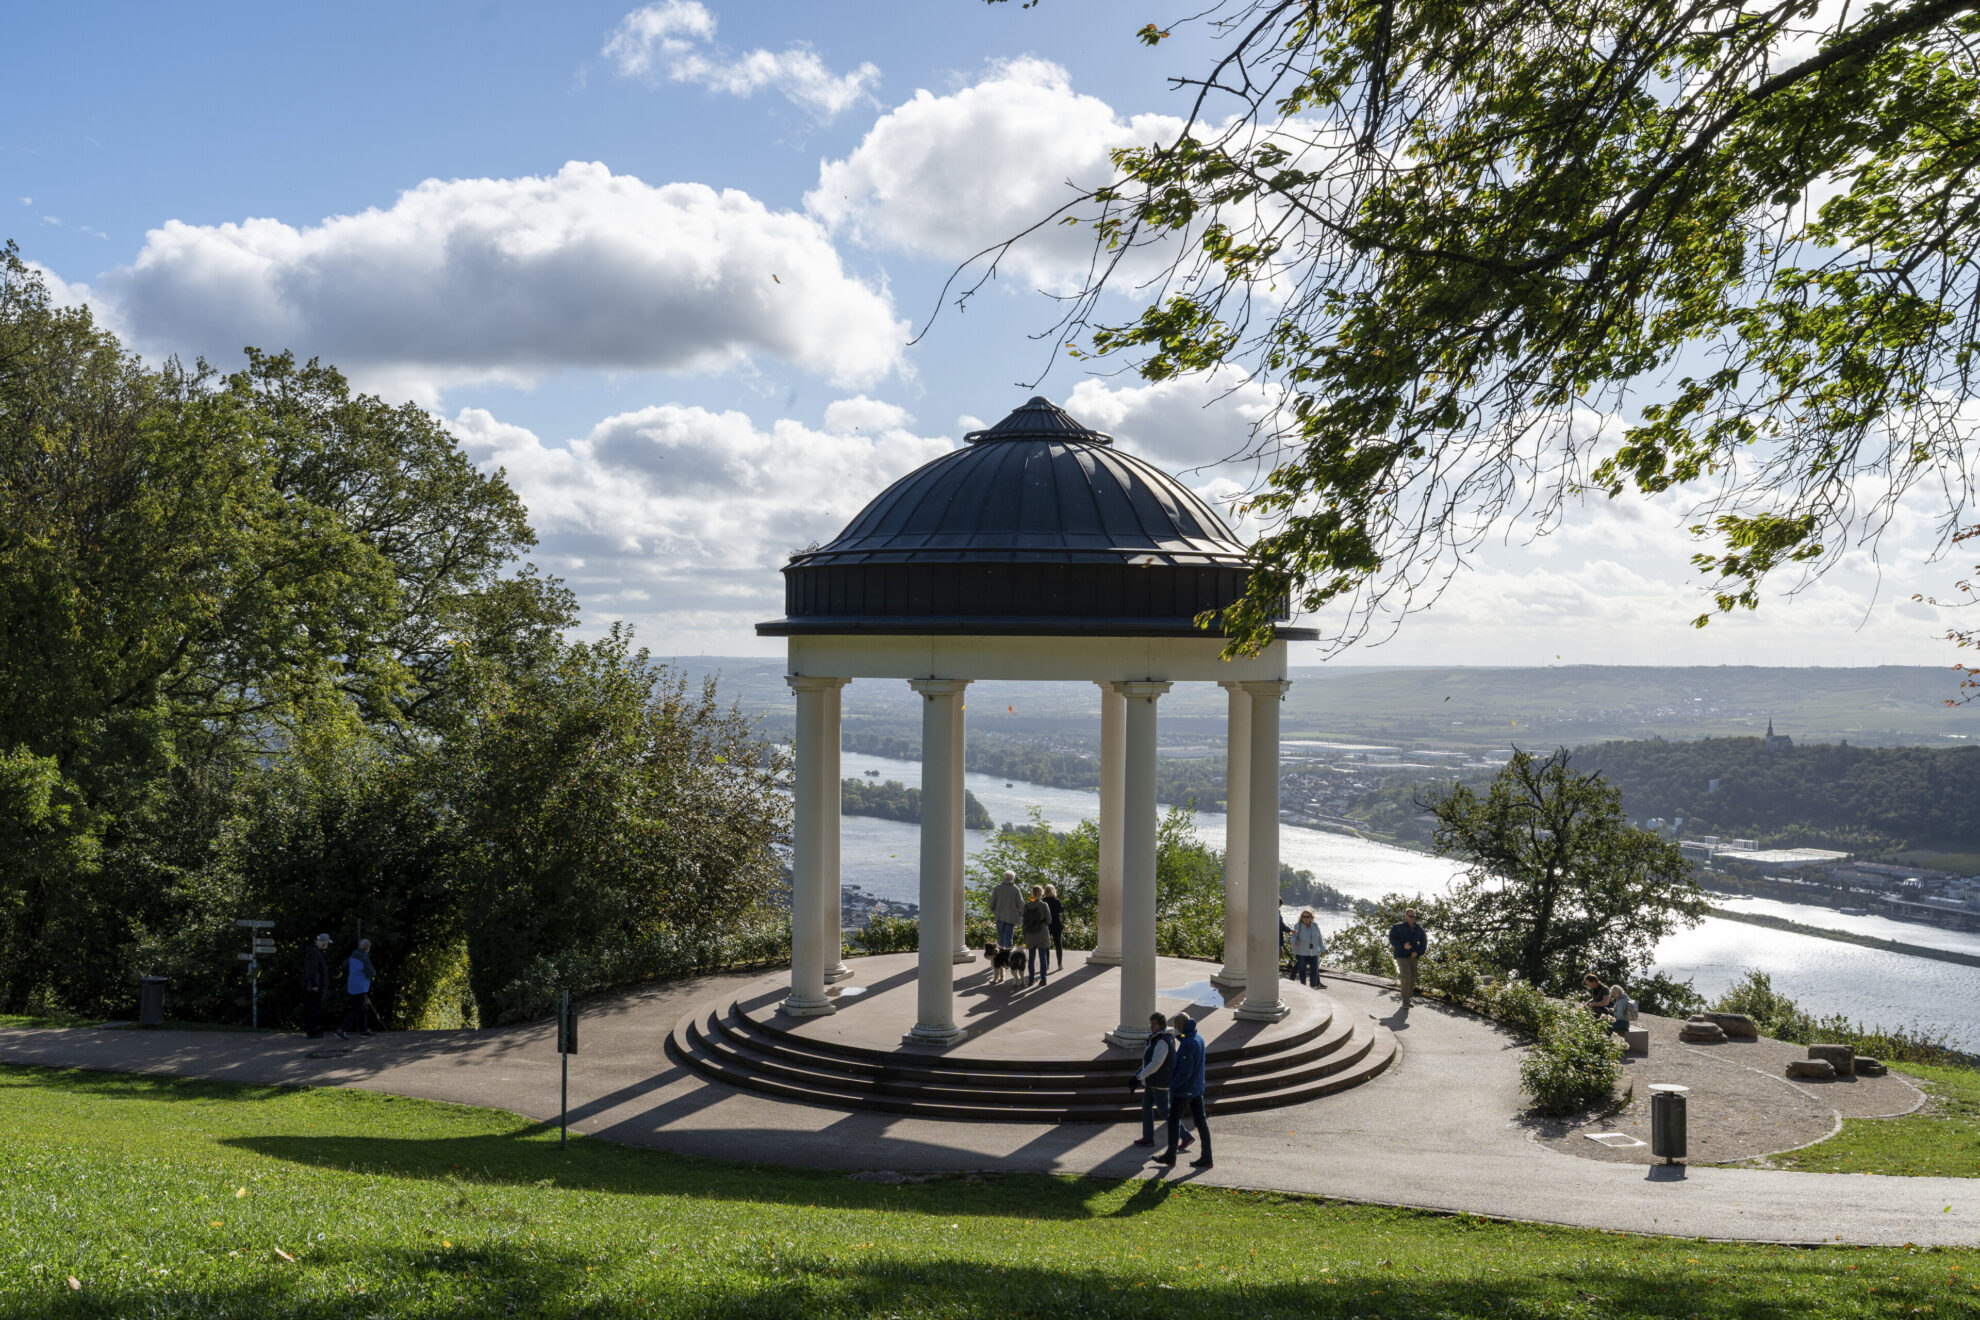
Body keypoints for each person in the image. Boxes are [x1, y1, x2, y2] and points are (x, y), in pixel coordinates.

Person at [1153, 1012, 1212, 1169]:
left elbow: (1184, 1072)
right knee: (1201, 1122)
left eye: (1177, 1026)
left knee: (1173, 1120)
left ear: (1181, 1025)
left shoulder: (1188, 1044)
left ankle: (1170, 1156)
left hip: (1185, 1090)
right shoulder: (1198, 1038)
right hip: (1197, 1088)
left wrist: (1172, 1086)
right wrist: (1180, 1037)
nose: (1176, 1029)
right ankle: (1207, 1157)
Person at [1129, 1012, 1194, 1151]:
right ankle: (1148, 1138)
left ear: (1161, 1025)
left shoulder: (1162, 1041)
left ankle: (1186, 1136)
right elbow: (1147, 1060)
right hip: (1153, 1082)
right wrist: (1138, 1074)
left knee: (1165, 1112)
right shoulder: (1157, 1038)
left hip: (1160, 1083)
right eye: (1150, 1023)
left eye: (1154, 1024)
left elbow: (1156, 1063)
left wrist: (1139, 1077)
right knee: (1146, 1106)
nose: (1151, 1026)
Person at [335, 938, 377, 1040]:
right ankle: (341, 1029)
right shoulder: (364, 958)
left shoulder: (353, 955)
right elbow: (370, 972)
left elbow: (345, 965)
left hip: (352, 984)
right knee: (357, 1009)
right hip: (361, 986)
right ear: (368, 948)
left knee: (363, 1007)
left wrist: (354, 970)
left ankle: (364, 1029)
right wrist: (374, 973)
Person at [1389, 908, 1428, 1007]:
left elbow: (1424, 943)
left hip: (1413, 956)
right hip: (1401, 955)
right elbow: (1392, 939)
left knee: (1413, 977)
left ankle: (1408, 998)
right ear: (1406, 916)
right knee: (1406, 976)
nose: (1412, 918)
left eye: (1414, 916)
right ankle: (1405, 1000)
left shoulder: (1419, 929)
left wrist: (1418, 953)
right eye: (1410, 916)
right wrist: (1403, 945)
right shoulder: (1397, 927)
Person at [1021, 885, 1053, 987]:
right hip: (1042, 933)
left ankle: (1031, 979)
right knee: (1043, 957)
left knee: (1031, 958)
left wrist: (1024, 934)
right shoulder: (1044, 905)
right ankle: (1043, 979)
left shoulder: (1027, 905)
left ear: (1032, 893)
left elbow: (1024, 921)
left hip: (1030, 934)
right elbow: (1049, 921)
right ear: (1041, 893)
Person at [301, 934, 331, 1038]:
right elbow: (312, 970)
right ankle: (313, 1031)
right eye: (326, 943)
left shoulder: (314, 952)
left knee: (314, 1008)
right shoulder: (315, 953)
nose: (327, 945)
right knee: (315, 1009)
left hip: (315, 985)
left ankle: (313, 1030)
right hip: (316, 986)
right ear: (323, 943)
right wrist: (314, 984)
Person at [1288, 909, 1325, 988]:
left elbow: (1319, 938)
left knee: (1314, 972)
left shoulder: (1315, 925)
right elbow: (1293, 936)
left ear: (1311, 917)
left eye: (1308, 916)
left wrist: (1322, 950)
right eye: (1304, 916)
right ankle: (1303, 988)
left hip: (1313, 952)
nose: (1306, 918)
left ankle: (1313, 988)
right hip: (1302, 953)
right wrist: (1295, 941)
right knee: (1302, 972)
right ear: (1301, 917)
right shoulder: (1298, 925)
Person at [991, 870, 1024, 951]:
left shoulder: (997, 888)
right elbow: (1021, 904)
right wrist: (1021, 914)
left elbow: (992, 904)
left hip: (999, 916)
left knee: (1001, 936)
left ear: (1004, 878)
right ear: (1013, 878)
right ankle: (1008, 957)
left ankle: (1001, 957)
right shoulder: (1015, 889)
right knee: (1008, 937)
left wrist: (994, 911)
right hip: (1011, 917)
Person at [1043, 883, 1065, 970]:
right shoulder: (1056, 901)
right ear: (1053, 891)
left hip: (1046, 925)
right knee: (1058, 944)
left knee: (1046, 945)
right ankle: (1059, 964)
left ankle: (1047, 964)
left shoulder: (1043, 901)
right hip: (1056, 925)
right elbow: (1062, 909)